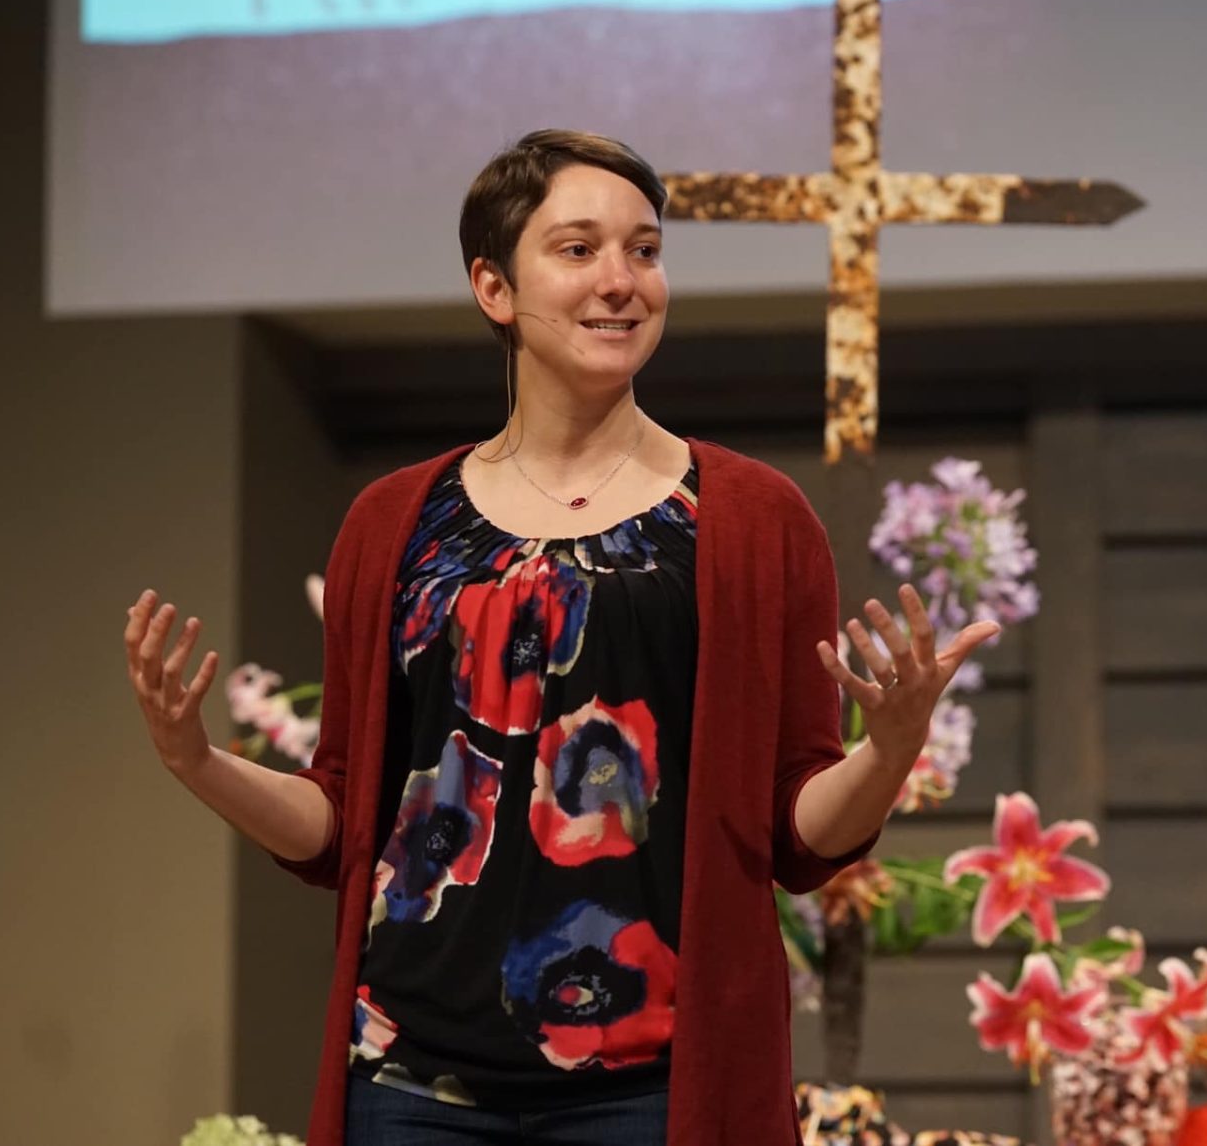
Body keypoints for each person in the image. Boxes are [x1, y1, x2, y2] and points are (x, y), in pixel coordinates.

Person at [125, 129, 1000, 1146]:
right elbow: (342, 825)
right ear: (494, 287)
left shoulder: (750, 519)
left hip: (648, 1091)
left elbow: (794, 837)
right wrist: (193, 760)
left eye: (644, 249)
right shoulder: (392, 523)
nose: (621, 281)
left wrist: (888, 747)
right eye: (578, 249)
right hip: (412, 1083)